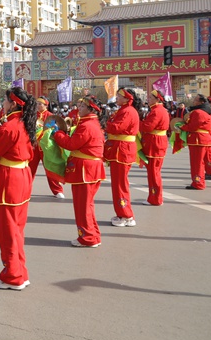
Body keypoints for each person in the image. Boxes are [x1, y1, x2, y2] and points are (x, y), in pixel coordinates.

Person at [0, 86, 36, 290]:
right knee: (17, 229)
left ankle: (13, 275)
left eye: (4, 101)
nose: (2, 105)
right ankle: (20, 271)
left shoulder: (10, 126)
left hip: (9, 181)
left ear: (12, 103)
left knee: (7, 230)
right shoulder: (24, 123)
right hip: (22, 177)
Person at [52, 96, 105, 247]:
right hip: (90, 169)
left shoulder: (87, 125)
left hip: (85, 170)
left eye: (82, 106)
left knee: (83, 206)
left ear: (90, 109)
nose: (78, 108)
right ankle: (93, 235)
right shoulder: (92, 123)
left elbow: (71, 144)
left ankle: (87, 238)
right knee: (87, 205)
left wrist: (58, 134)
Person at [104, 88, 140, 227]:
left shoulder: (127, 111)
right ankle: (123, 213)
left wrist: (105, 124)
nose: (116, 98)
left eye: (119, 96)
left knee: (120, 184)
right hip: (120, 149)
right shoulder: (124, 110)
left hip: (122, 150)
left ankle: (126, 215)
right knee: (119, 183)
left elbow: (117, 128)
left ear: (127, 99)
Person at [29, 97, 65, 199]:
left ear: (46, 105)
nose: (38, 105)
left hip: (47, 147)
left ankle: (57, 190)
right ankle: (26, 189)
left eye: (40, 104)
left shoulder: (50, 116)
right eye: (37, 103)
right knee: (30, 169)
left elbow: (55, 131)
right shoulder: (32, 116)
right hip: (34, 146)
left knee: (50, 167)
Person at [140, 90, 170, 205]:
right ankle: (154, 197)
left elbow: (148, 127)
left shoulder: (157, 111)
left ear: (158, 99)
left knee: (154, 172)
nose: (149, 100)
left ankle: (156, 198)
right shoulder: (159, 110)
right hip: (157, 142)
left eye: (151, 98)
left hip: (155, 143)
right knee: (154, 171)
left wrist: (137, 123)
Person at [180, 94, 211, 190]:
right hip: (203, 139)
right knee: (200, 162)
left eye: (195, 100)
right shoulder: (205, 112)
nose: (193, 101)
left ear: (201, 102)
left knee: (196, 163)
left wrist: (181, 127)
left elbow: (192, 127)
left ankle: (198, 183)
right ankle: (199, 181)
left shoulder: (198, 113)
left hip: (197, 139)